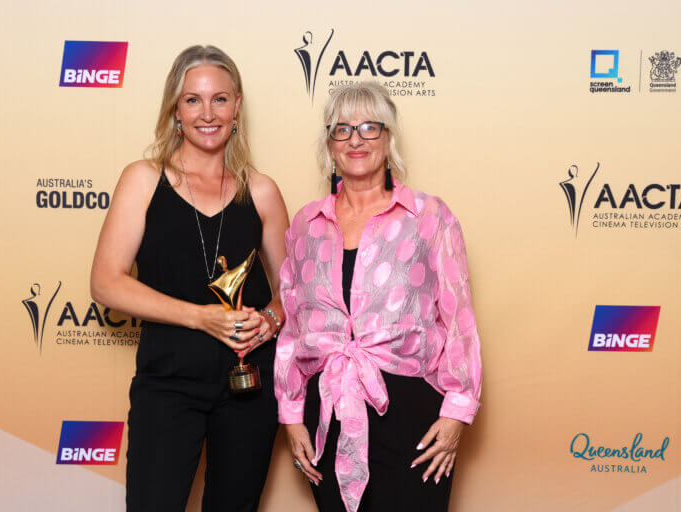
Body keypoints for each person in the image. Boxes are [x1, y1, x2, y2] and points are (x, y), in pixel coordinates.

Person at [90, 45, 289, 512]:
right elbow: (105, 282)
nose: (207, 113)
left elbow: (291, 293)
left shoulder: (261, 190)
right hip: (167, 383)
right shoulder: (143, 179)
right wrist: (201, 318)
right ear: (174, 109)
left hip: (248, 387)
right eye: (193, 100)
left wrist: (271, 319)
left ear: (237, 106)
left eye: (220, 99)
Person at [274, 82, 482, 512]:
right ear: (328, 145)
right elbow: (294, 327)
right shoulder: (305, 225)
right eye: (342, 129)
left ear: (388, 140)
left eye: (370, 127)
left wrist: (457, 412)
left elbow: (458, 319)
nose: (356, 139)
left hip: (412, 412)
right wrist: (292, 414)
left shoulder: (429, 217)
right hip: (328, 409)